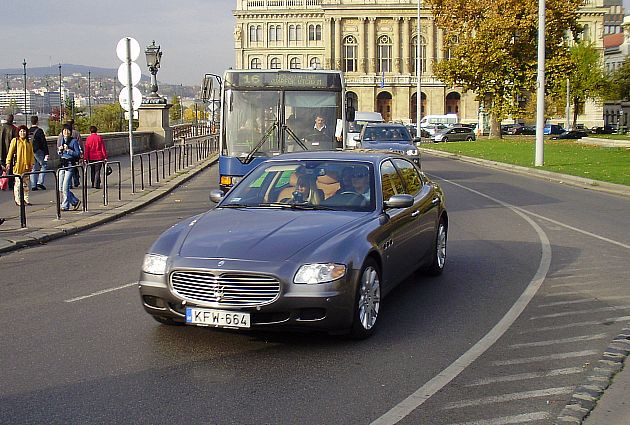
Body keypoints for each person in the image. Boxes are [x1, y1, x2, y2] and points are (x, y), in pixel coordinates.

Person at [5, 125, 34, 206]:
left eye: (24, 131)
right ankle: (18, 200)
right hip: (18, 166)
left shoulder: (28, 142)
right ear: (18, 132)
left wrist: (32, 163)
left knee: (26, 184)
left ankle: (26, 199)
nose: (22, 133)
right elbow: (10, 152)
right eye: (21, 131)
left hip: (27, 166)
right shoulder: (15, 141)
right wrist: (8, 162)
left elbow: (31, 154)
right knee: (18, 184)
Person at [58, 124, 81, 211]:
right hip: (62, 164)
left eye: (67, 130)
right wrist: (60, 150)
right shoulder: (61, 140)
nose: (66, 132)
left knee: (65, 186)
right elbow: (60, 153)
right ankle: (74, 201)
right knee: (60, 187)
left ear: (70, 132)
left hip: (70, 165)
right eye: (64, 130)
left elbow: (77, 154)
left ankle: (65, 205)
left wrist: (68, 150)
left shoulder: (74, 141)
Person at [29, 116, 49, 191]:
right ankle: (40, 182)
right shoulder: (39, 131)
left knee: (33, 168)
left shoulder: (28, 130)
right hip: (39, 151)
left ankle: (33, 185)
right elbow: (43, 142)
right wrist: (46, 153)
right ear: (37, 122)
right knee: (43, 165)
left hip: (31, 151)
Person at [1, 114, 17, 189]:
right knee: (10, 169)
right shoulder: (14, 129)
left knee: (2, 168)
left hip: (2, 151)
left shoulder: (1, 128)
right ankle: (10, 184)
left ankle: (2, 184)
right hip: (10, 151)